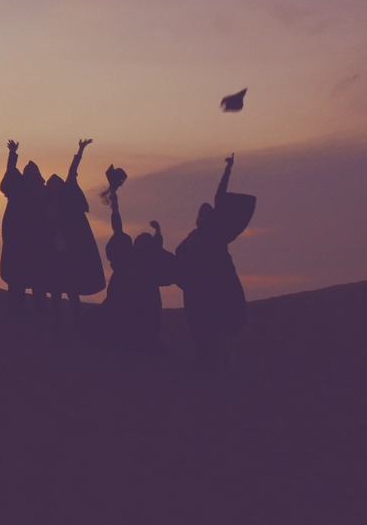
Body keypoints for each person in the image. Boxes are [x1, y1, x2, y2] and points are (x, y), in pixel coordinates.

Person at [174, 154, 254, 371]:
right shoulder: (190, 240)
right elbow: (180, 261)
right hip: (200, 291)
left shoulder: (216, 231)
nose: (206, 215)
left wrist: (227, 170)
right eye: (204, 213)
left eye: (209, 213)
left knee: (221, 329)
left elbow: (220, 197)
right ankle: (210, 365)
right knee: (202, 330)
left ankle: (224, 366)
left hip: (219, 287)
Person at [98, 166, 176, 356]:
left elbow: (158, 251)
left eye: (144, 240)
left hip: (143, 305)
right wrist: (114, 203)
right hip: (121, 300)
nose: (140, 241)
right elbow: (118, 227)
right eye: (139, 239)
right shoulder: (126, 254)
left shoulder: (148, 266)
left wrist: (158, 233)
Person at [42, 140, 106, 332]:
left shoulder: (67, 198)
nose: (52, 184)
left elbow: (72, 173)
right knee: (55, 292)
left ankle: (77, 324)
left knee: (71, 291)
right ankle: (57, 326)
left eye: (55, 182)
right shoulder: (45, 204)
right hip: (53, 254)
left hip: (69, 253)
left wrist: (80, 150)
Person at [0, 141, 49, 312]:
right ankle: (17, 307)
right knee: (17, 277)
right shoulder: (20, 187)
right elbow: (11, 173)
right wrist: (12, 154)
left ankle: (37, 310)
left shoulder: (42, 194)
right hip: (18, 239)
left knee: (36, 279)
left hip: (35, 241)